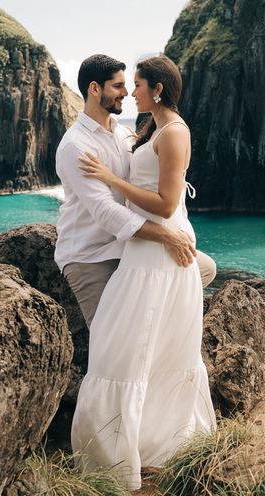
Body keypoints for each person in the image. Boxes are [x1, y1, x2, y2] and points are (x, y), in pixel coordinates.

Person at [69, 53, 216, 490]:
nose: (130, 92)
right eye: (124, 85)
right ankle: (134, 447)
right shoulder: (149, 129)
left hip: (154, 247)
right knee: (133, 347)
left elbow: (168, 204)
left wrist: (112, 180)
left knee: (133, 346)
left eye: (136, 84)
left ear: (157, 88)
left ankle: (140, 446)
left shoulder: (173, 132)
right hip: (141, 249)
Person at [54, 54, 216, 330]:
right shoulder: (76, 146)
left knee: (204, 268)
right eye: (117, 86)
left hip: (128, 247)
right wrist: (166, 235)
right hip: (91, 254)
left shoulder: (125, 135)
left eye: (129, 85)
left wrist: (176, 229)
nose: (126, 93)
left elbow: (151, 185)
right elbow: (106, 212)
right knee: (111, 339)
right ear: (95, 89)